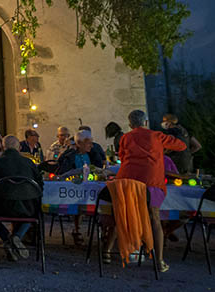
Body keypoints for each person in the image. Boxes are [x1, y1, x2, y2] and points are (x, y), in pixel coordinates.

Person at [104, 109, 186, 273]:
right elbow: (181, 146)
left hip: (128, 181)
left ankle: (106, 252)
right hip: (151, 181)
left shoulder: (126, 137)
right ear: (146, 122)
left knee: (119, 214)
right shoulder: (156, 136)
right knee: (154, 218)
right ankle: (159, 261)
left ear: (130, 124)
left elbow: (122, 155)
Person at [0, 135, 43, 262]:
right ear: (19, 148)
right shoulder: (29, 163)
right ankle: (16, 236)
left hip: (1, 207)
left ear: (3, 147)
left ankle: (6, 239)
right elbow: (39, 187)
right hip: (27, 208)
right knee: (35, 212)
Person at [56, 129, 98, 245]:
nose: (91, 145)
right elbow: (63, 173)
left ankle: (103, 231)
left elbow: (99, 166)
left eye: (91, 142)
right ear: (79, 143)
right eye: (88, 143)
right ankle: (77, 229)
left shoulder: (93, 153)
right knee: (81, 200)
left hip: (89, 186)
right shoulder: (70, 155)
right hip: (72, 188)